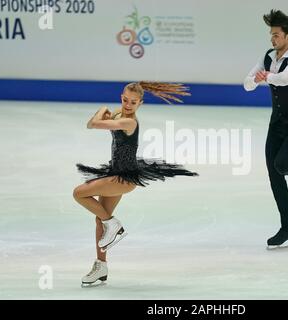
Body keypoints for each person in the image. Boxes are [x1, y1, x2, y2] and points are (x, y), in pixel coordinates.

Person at [73, 82, 198, 285]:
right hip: (115, 173)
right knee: (99, 219)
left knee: (79, 193)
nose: (128, 105)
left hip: (123, 179)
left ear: (140, 103)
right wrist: (105, 113)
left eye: (133, 102)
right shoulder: (118, 114)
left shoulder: (129, 122)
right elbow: (94, 123)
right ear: (121, 96)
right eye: (125, 100)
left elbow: (93, 124)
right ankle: (101, 266)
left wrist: (102, 110)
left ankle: (114, 225)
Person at [244, 10, 288, 247]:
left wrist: (267, 77)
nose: (272, 39)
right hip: (277, 124)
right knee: (274, 175)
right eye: (271, 34)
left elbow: (284, 79)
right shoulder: (267, 56)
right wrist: (254, 79)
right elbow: (247, 83)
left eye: (276, 35)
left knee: (283, 164)